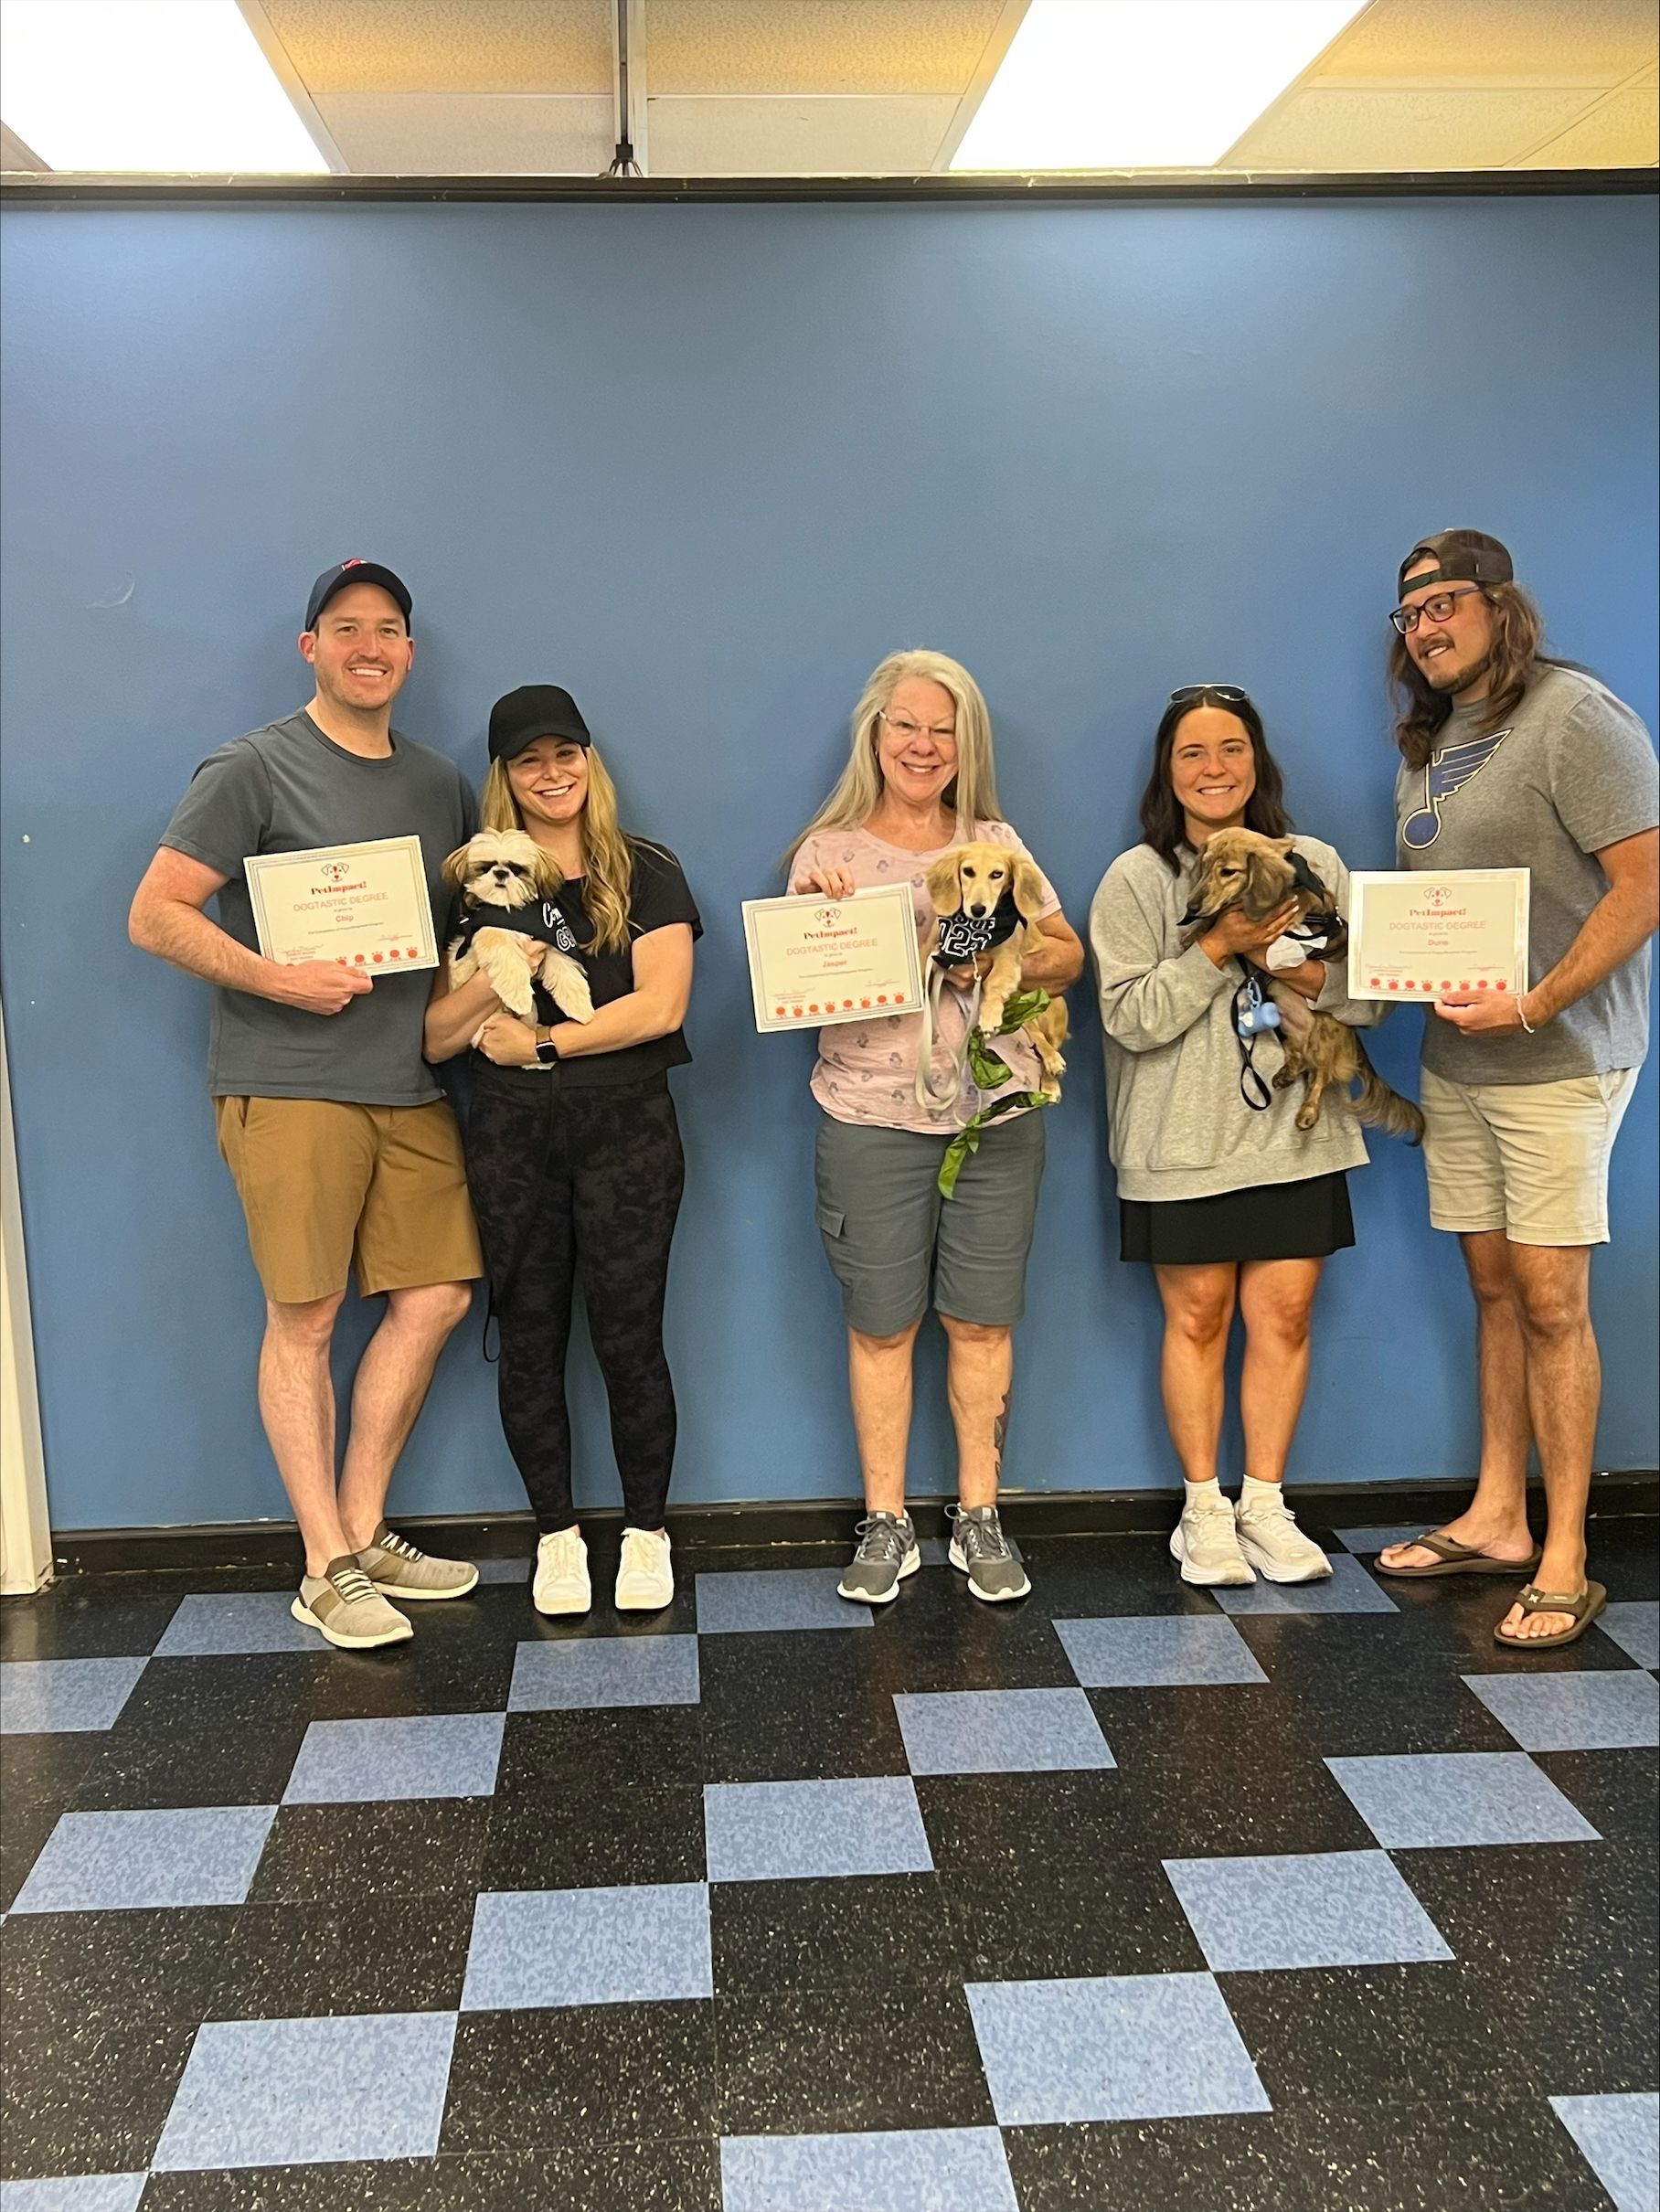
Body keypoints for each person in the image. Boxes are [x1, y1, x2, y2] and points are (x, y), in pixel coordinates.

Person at [129, 560, 483, 1651]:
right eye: (346, 628)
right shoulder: (253, 765)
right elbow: (156, 914)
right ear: (311, 646)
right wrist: (281, 976)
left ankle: (365, 1528)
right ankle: (322, 1563)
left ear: (409, 653)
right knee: (309, 1317)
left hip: (407, 1083)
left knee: (435, 1296)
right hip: (288, 1087)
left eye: (387, 630)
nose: (368, 645)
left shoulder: (437, 785)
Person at [1374, 532, 1658, 1647]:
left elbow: (1642, 886)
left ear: (1500, 606)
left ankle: (1565, 1552)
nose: (1428, 627)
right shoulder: (1431, 740)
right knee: (1494, 1291)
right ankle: (1497, 1514)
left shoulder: (1573, 714)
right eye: (1410, 615)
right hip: (1463, 1063)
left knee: (1551, 1302)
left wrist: (1536, 1002)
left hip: (1556, 1059)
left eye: (1446, 603)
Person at [789, 649, 1084, 1605]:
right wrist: (823, 934)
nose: (923, 744)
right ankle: (885, 1521)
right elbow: (800, 986)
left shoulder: (997, 840)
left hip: (995, 1112)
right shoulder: (828, 854)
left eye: (942, 729)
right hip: (868, 1115)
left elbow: (1069, 956)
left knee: (981, 1318)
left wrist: (994, 956)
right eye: (906, 725)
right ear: (875, 736)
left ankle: (978, 1514)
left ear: (966, 746)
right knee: (881, 1324)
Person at [1091, 686, 1382, 1588]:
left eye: (1230, 749)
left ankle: (1264, 1501)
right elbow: (1128, 1017)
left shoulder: (1315, 860)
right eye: (1192, 753)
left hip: (1295, 1140)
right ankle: (1202, 1510)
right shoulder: (1137, 877)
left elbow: (1364, 996)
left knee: (1285, 1319)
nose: (1213, 768)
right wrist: (1217, 947)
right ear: (1166, 771)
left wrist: (1280, 954)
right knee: (1199, 1317)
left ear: (1256, 761)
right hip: (1180, 1145)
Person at [424, 686, 699, 1617]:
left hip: (628, 1132)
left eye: (565, 753)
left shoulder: (647, 870)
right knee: (531, 1340)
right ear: (504, 776)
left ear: (590, 758)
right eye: (529, 760)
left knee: (631, 1339)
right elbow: (434, 1036)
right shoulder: (470, 883)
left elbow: (661, 1006)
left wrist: (543, 1040)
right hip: (510, 1135)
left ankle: (647, 1530)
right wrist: (503, 972)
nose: (552, 774)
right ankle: (555, 1536)